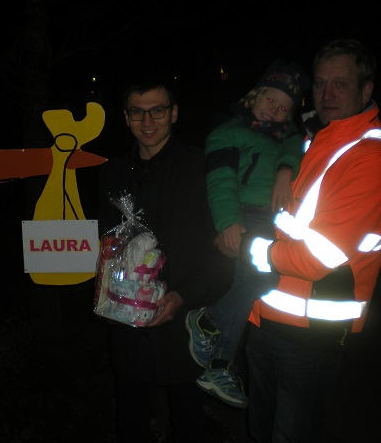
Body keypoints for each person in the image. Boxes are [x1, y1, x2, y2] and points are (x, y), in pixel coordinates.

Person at [239, 38, 381, 442]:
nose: (327, 94)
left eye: (341, 84)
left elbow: (321, 256)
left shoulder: (369, 156)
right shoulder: (309, 138)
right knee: (260, 430)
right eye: (320, 83)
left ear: (366, 90)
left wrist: (252, 249)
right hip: (262, 315)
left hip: (310, 336)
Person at [97, 74, 227, 442]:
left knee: (188, 415)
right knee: (130, 412)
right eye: (137, 112)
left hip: (184, 317)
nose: (147, 121)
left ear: (174, 113)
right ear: (126, 117)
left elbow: (222, 251)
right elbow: (105, 242)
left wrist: (183, 296)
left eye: (157, 110)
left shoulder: (202, 169)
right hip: (126, 315)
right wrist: (108, 293)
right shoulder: (111, 173)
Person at [186, 59, 308, 408]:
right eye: (271, 99)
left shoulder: (284, 138)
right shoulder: (229, 131)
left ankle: (219, 367)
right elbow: (220, 180)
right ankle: (206, 320)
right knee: (268, 279)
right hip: (246, 216)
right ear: (256, 94)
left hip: (272, 220)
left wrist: (285, 172)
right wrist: (227, 222)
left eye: (284, 108)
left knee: (244, 292)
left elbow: (296, 143)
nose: (275, 110)